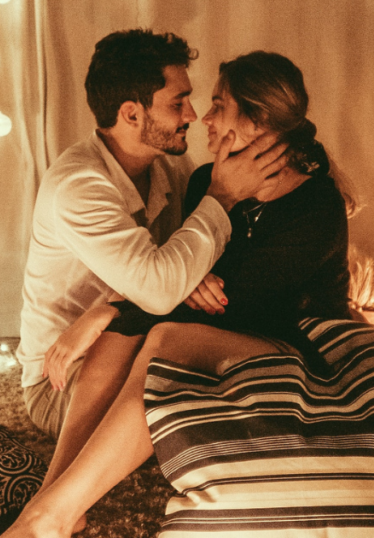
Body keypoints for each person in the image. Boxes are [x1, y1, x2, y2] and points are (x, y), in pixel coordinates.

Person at [8, 50, 374, 538]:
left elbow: (233, 302)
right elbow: (182, 274)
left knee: (162, 334)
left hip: (300, 350)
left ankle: (51, 513)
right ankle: (54, 508)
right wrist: (156, 295)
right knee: (125, 340)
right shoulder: (203, 185)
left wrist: (108, 307)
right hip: (225, 339)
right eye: (193, 102)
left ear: (259, 122)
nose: (204, 118)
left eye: (217, 104)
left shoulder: (315, 207)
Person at [15, 29, 287, 440]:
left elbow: (183, 265)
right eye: (178, 103)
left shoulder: (168, 166)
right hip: (64, 379)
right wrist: (222, 196)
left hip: (136, 340)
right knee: (196, 409)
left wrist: (123, 301)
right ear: (131, 114)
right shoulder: (79, 187)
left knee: (248, 382)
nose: (193, 115)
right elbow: (161, 288)